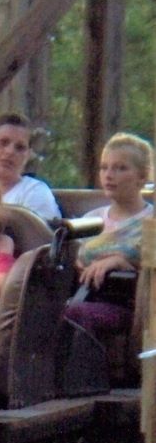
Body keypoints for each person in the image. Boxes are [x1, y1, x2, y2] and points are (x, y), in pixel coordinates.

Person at [65, 132, 154, 338]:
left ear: (142, 176)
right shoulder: (90, 220)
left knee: (77, 315)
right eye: (104, 167)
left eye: (120, 168)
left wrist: (120, 262)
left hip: (132, 307)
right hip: (83, 297)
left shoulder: (152, 221)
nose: (109, 175)